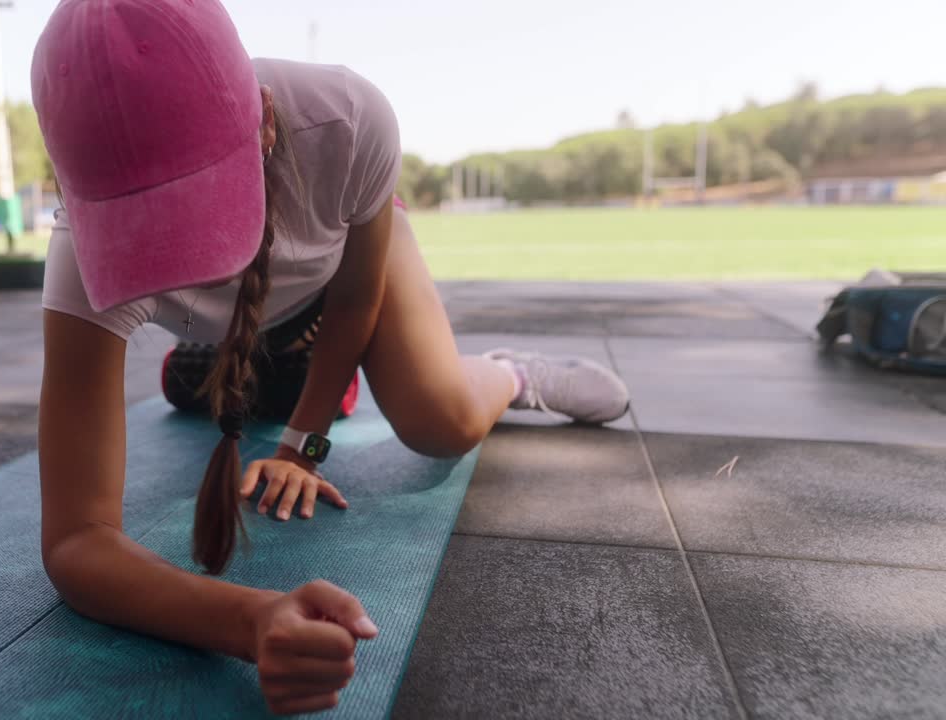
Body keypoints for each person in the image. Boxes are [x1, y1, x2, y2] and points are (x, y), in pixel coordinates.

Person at [32, 0, 630, 714]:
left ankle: (512, 374)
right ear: (73, 186)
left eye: (194, 213)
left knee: (440, 421)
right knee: (240, 367)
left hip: (336, 278)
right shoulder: (75, 254)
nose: (180, 256)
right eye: (145, 230)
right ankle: (248, 365)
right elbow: (75, 542)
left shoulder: (346, 121)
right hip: (239, 328)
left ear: (265, 120)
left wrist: (302, 446)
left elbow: (354, 307)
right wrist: (248, 620)